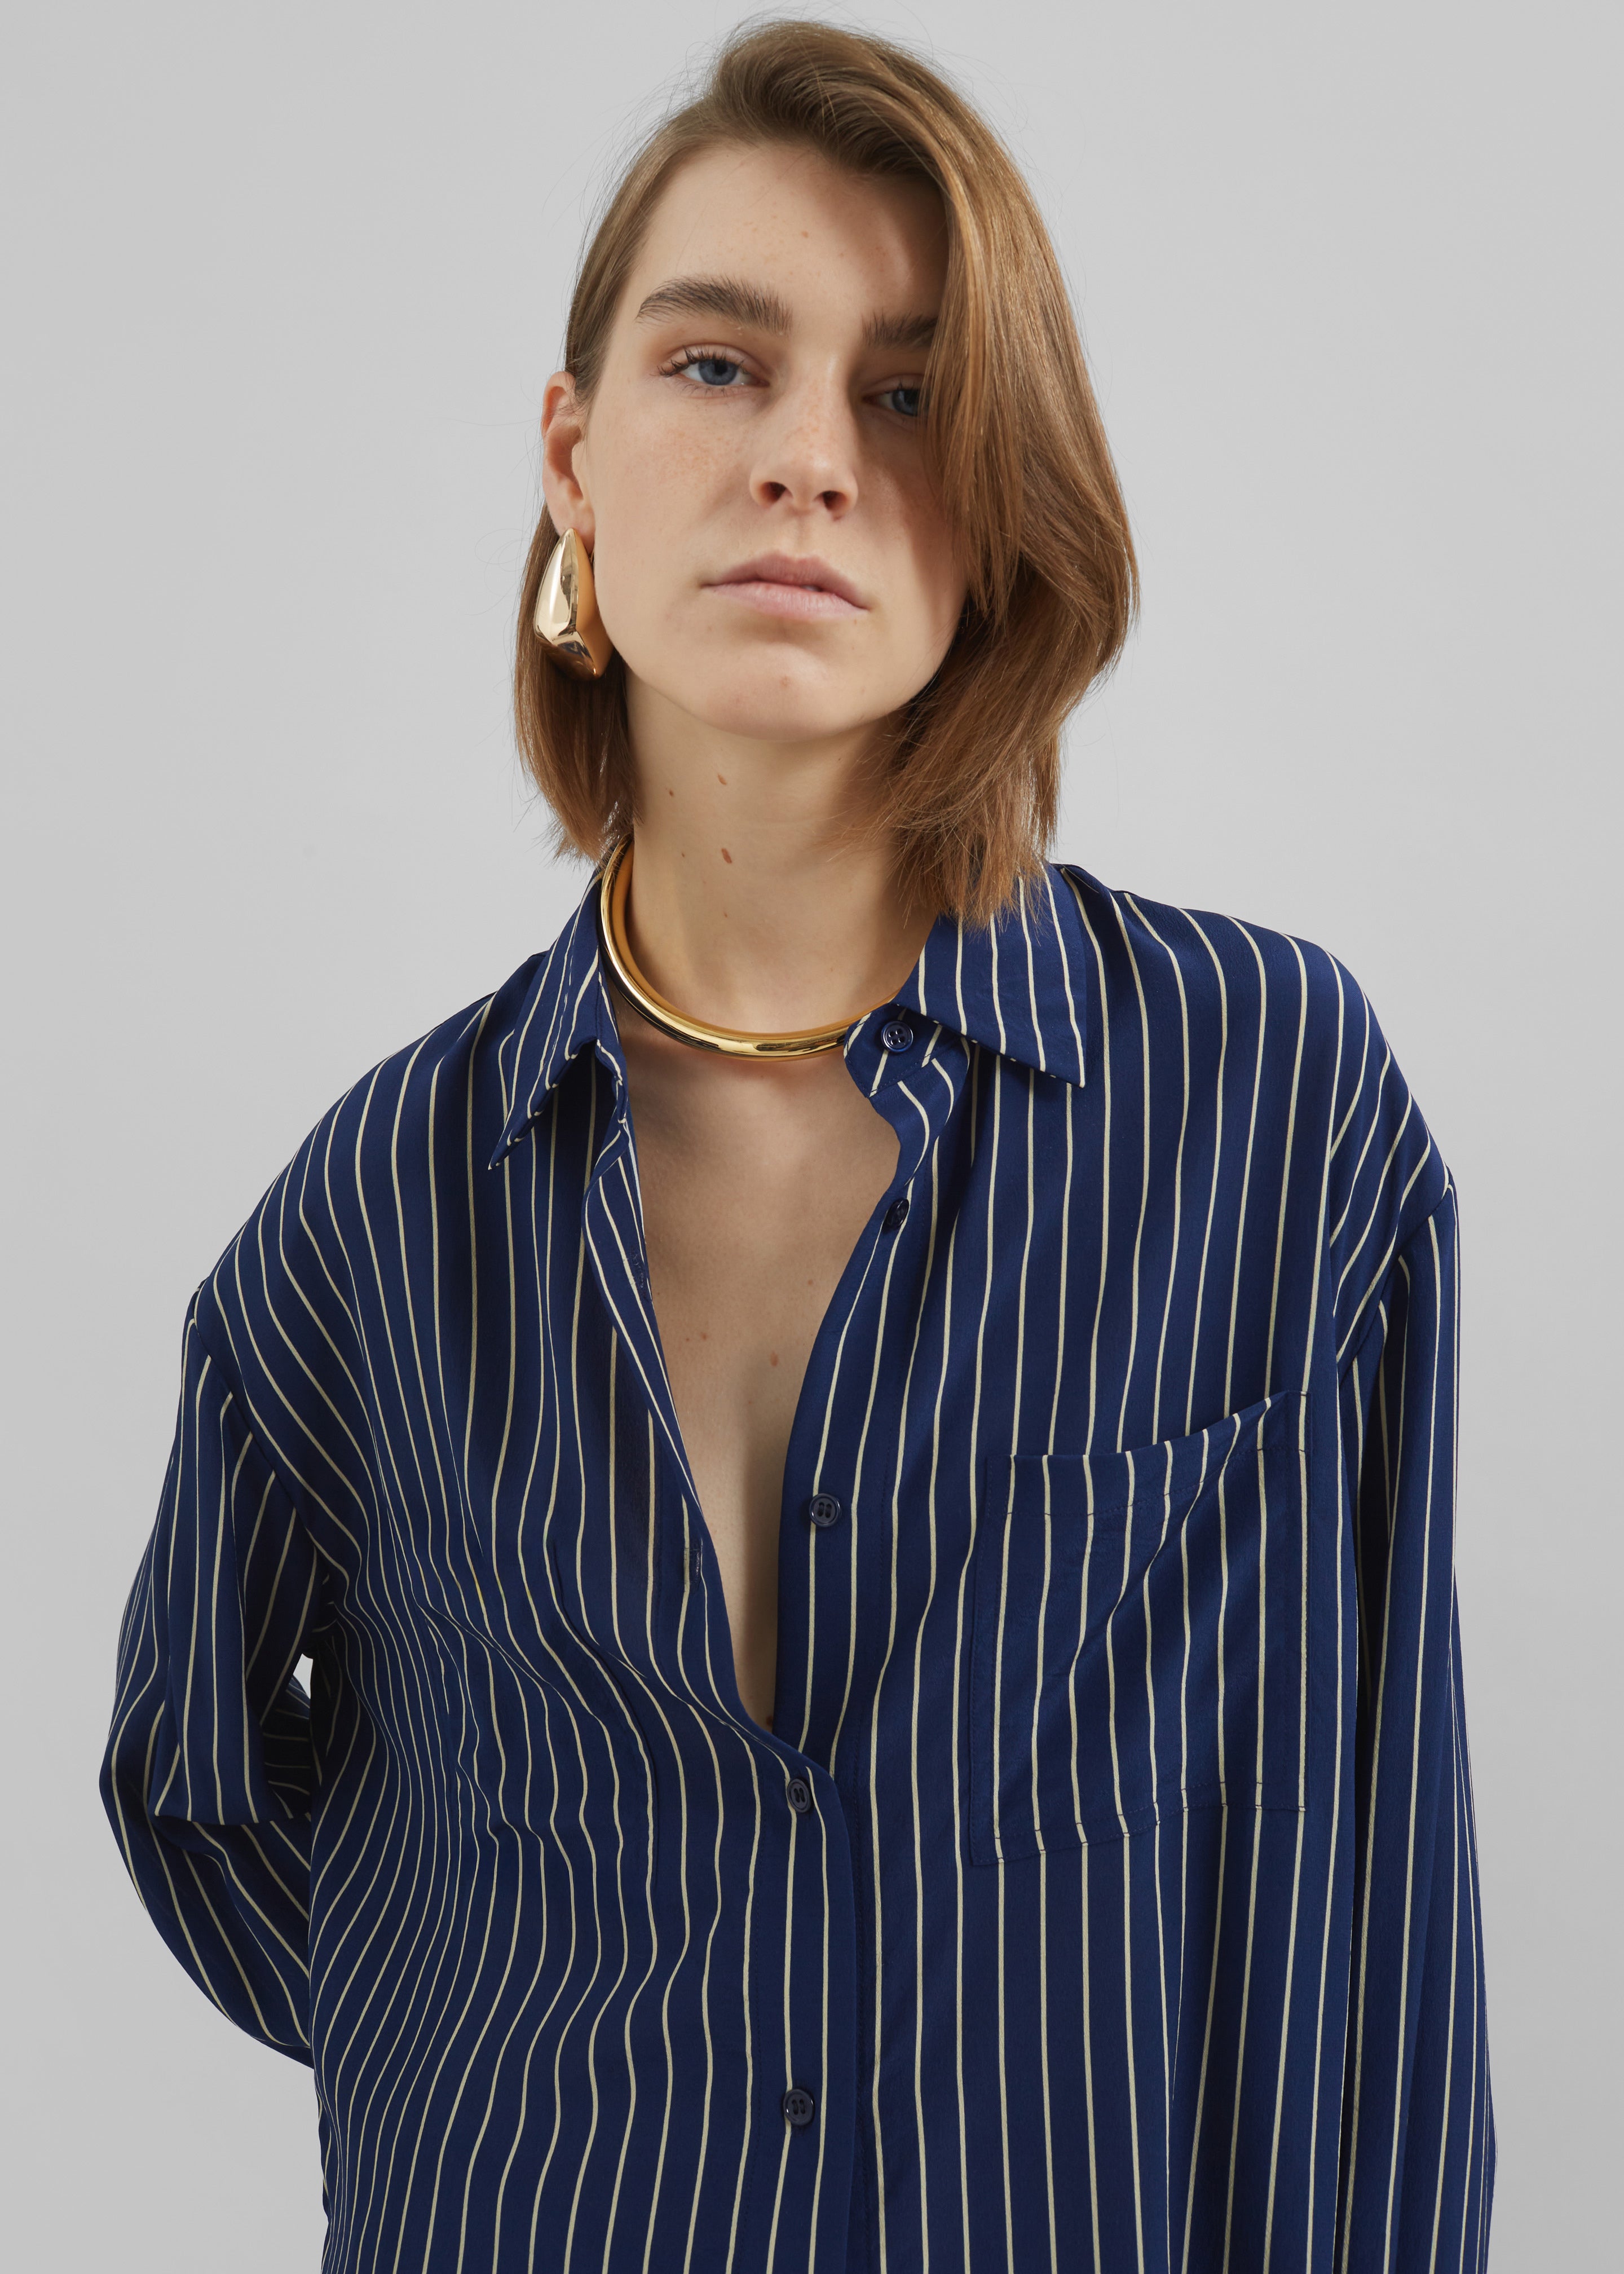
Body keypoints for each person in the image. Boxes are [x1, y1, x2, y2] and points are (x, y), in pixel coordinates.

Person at [99, 20, 1493, 2271]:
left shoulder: (1271, 1103)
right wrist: (494, 2067)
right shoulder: (376, 1207)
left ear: (1004, 499)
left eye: (912, 395)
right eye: (718, 365)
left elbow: (1379, 1888)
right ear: (574, 458)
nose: (810, 462)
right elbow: (195, 1773)